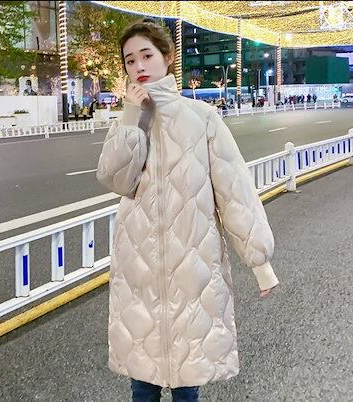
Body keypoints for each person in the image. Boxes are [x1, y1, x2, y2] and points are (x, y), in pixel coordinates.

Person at [97, 19, 279, 402]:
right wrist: (132, 116)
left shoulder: (202, 117)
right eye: (130, 60)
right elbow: (117, 180)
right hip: (139, 271)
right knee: (142, 382)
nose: (139, 66)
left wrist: (260, 262)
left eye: (146, 56)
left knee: (187, 381)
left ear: (167, 57)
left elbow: (234, 191)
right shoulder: (128, 120)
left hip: (192, 268)